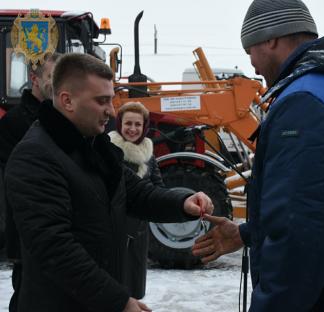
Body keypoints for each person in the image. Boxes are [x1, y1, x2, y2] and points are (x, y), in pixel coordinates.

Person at [192, 0, 324, 311]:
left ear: (270, 39)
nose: (252, 66)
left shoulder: (306, 105)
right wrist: (248, 233)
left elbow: (301, 242)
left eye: (250, 51)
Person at [4, 53, 214, 312]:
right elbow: (55, 250)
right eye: (102, 101)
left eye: (111, 100)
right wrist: (118, 302)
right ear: (67, 100)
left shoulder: (93, 146)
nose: (112, 111)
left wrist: (183, 202)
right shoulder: (35, 157)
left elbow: (136, 193)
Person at [0, 52, 60, 312]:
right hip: (29, 234)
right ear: (34, 79)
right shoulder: (14, 123)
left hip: (59, 230)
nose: (58, 84)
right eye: (52, 77)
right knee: (27, 297)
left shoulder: (62, 119)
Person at [108, 101, 163, 299]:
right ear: (119, 124)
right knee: (114, 288)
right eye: (128, 124)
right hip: (113, 228)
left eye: (137, 124)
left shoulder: (148, 154)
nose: (132, 129)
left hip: (139, 230)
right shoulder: (109, 150)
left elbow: (158, 188)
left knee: (135, 287)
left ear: (144, 126)